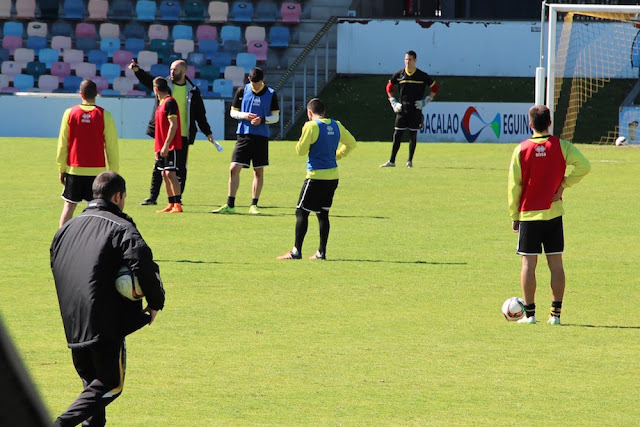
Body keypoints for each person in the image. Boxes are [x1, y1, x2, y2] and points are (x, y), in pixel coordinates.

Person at [50, 171, 165, 427]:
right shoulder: (120, 226)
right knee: (110, 384)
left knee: (92, 386)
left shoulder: (67, 228)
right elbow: (143, 262)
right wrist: (156, 301)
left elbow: (55, 263)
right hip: (102, 321)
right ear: (118, 196)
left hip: (71, 319)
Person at [508, 105, 591, 325]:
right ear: (550, 124)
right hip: (554, 214)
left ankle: (530, 315)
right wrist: (564, 185)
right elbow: (584, 165)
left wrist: (514, 215)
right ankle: (555, 316)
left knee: (528, 264)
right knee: (556, 264)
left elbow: (514, 186)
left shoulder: (521, 149)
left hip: (528, 215)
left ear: (530, 125)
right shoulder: (562, 146)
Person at [276, 98, 356, 260]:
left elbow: (300, 150)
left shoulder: (311, 126)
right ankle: (321, 252)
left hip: (315, 176)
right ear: (324, 112)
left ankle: (296, 251)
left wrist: (303, 134)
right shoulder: (336, 125)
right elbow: (351, 143)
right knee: (323, 213)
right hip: (333, 176)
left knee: (301, 212)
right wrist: (338, 155)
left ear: (309, 113)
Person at [129, 59, 218, 205]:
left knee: (180, 168)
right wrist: (137, 71)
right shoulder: (165, 84)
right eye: (171, 69)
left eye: (175, 70)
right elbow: (149, 81)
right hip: (164, 134)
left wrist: (207, 132)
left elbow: (200, 114)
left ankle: (177, 199)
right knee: (159, 167)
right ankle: (153, 197)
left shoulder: (193, 90)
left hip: (182, 135)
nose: (171, 72)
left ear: (184, 72)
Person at [212, 67, 279, 215]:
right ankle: (230, 204)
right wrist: (244, 116)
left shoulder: (271, 94)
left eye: (259, 83)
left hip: (261, 137)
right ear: (249, 80)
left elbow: (276, 117)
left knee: (258, 171)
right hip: (243, 135)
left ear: (263, 80)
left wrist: (262, 120)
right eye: (254, 84)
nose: (256, 86)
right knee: (233, 168)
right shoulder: (242, 91)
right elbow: (233, 112)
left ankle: (254, 204)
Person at [56, 79, 119, 227]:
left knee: (69, 206)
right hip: (97, 172)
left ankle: (62, 238)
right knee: (98, 209)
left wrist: (61, 168)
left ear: (81, 94)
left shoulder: (69, 113)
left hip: (74, 169)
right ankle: (96, 241)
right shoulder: (105, 115)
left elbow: (63, 143)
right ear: (96, 94)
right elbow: (111, 146)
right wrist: (113, 171)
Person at [380, 50, 439, 168]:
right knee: (397, 135)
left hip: (415, 109)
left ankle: (409, 161)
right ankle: (392, 161)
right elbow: (389, 87)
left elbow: (435, 88)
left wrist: (426, 101)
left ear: (415, 60)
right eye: (406, 59)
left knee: (412, 135)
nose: (407, 62)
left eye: (410, 59)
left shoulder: (422, 75)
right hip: (402, 110)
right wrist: (393, 101)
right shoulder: (399, 74)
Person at [152, 77, 183, 213]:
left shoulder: (170, 103)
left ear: (156, 89)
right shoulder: (161, 103)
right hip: (162, 146)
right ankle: (171, 203)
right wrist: (157, 148)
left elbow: (173, 125)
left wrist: (166, 145)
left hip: (171, 146)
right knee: (164, 174)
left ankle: (178, 203)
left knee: (171, 173)